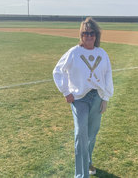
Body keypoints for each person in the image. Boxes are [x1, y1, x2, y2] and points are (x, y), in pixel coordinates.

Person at [53, 17, 114, 178]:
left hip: (97, 98)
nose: (89, 36)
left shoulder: (102, 53)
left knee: (92, 134)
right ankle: (81, 175)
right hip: (79, 99)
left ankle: (87, 162)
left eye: (92, 33)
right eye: (85, 33)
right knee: (81, 133)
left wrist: (106, 98)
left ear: (96, 35)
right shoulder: (74, 52)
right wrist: (66, 91)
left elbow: (108, 75)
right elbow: (58, 71)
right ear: (81, 35)